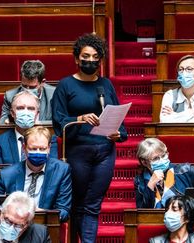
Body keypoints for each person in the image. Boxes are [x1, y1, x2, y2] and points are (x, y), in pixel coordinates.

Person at [51, 33, 128, 242]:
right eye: (86, 56)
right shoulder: (65, 85)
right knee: (77, 203)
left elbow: (119, 119)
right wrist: (80, 118)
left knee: (93, 206)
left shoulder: (106, 85)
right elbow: (58, 122)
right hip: (77, 151)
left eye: (95, 57)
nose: (91, 61)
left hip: (105, 151)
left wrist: (118, 133)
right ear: (77, 59)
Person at [0, 126, 71, 222]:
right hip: (14, 224)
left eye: (42, 149)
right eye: (33, 148)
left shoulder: (61, 171)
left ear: (49, 148)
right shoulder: (7, 175)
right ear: (24, 148)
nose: (38, 153)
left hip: (45, 226)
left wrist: (40, 214)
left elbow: (64, 211)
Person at [135, 138, 194, 208]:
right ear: (144, 162)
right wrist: (150, 185)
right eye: (155, 158)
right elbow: (143, 214)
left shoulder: (185, 170)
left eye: (164, 155)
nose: (162, 160)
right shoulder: (140, 181)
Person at [0, 91, 57, 164]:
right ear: (12, 113)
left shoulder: (49, 139)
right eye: (20, 108)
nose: (26, 112)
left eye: (31, 108)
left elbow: (52, 168)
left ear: (37, 114)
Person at [0, 60, 55, 125]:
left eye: (32, 87)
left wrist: (37, 123)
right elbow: (1, 125)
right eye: (24, 86)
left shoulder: (53, 95)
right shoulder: (10, 96)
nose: (27, 90)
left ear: (42, 82)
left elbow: (59, 122)